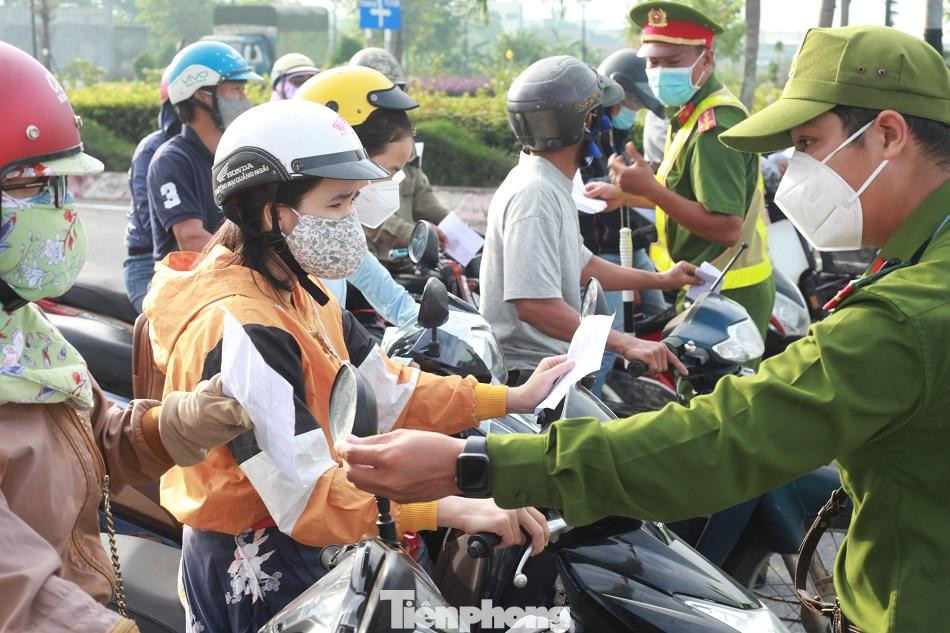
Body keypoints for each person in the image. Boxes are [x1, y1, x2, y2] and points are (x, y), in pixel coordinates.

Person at [335, 24, 950, 633]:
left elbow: (719, 442)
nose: (795, 175)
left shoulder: (908, 313)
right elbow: (536, 297)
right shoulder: (918, 268)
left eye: (810, 144)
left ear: (890, 135)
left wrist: (471, 464)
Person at [143, 99, 571, 631]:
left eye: (353, 201)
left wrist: (513, 399)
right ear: (269, 211)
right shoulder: (241, 329)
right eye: (338, 202)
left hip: (330, 531)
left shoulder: (306, 289)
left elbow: (391, 390)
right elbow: (303, 497)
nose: (352, 222)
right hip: (261, 562)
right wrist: (447, 504)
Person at [0, 42, 258, 633]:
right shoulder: (173, 155)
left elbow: (92, 437)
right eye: (34, 186)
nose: (60, 212)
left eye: (64, 189)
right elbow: (16, 588)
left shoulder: (22, 333)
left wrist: (173, 423)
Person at [478, 55, 699, 384]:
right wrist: (625, 343)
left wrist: (662, 280)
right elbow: (534, 305)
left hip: (549, 368)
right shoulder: (535, 195)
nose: (608, 125)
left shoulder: (549, 183)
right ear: (587, 123)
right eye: (605, 115)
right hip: (530, 378)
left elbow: (583, 266)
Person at [591, 2, 775, 344]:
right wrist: (625, 194)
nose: (659, 72)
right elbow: (688, 196)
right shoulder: (689, 112)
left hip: (729, 290)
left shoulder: (715, 126)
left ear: (706, 60)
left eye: (672, 62)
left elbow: (727, 228)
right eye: (652, 62)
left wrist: (650, 189)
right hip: (706, 283)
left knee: (717, 397)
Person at [295, 66, 421, 326]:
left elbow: (384, 291)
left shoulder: (336, 229)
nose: (391, 182)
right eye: (389, 171)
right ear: (344, 153)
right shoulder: (295, 238)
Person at [583, 51, 669, 396]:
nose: (631, 109)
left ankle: (635, 385)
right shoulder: (585, 135)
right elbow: (588, 199)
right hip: (602, 254)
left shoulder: (616, 135)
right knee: (609, 336)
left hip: (628, 242)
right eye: (629, 100)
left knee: (657, 310)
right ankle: (589, 405)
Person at [147, 41, 261, 264]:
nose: (244, 99)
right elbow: (190, 238)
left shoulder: (237, 156)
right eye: (236, 89)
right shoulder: (170, 161)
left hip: (231, 280)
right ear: (202, 95)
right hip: (189, 288)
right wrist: (252, 264)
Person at [348, 47, 450, 266]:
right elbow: (366, 214)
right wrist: (414, 234)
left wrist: (459, 231)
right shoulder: (349, 157)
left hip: (402, 262)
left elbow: (424, 199)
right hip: (375, 259)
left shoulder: (401, 144)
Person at [122, 67, 181, 313]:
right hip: (149, 264)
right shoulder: (154, 149)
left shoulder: (213, 149)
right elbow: (151, 220)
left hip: (196, 262)